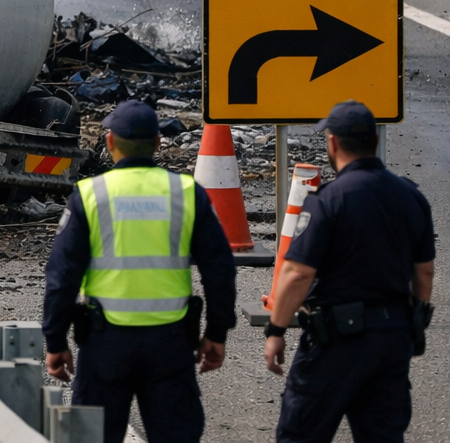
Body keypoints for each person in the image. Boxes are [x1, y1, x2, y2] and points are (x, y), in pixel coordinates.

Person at [42, 100, 238, 443]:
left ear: (109, 142)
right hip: (170, 344)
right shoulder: (187, 193)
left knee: (93, 437)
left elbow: (62, 276)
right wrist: (217, 332)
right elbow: (219, 269)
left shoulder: (90, 195)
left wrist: (55, 341)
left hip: (105, 345)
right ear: (159, 143)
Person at [265, 101, 434, 443]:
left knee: (302, 433)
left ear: (333, 144)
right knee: (383, 434)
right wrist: (413, 323)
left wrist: (276, 329)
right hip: (392, 336)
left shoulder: (328, 200)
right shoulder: (410, 196)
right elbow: (425, 273)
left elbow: (297, 273)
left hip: (337, 340)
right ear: (374, 140)